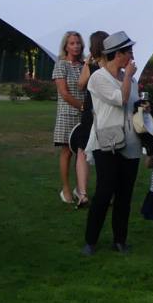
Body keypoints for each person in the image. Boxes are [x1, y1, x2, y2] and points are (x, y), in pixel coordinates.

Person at [82, 32, 145, 255]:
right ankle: (90, 241)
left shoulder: (131, 79)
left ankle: (120, 240)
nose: (132, 56)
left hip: (131, 141)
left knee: (125, 194)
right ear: (118, 54)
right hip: (106, 142)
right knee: (104, 191)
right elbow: (121, 99)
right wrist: (127, 78)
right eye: (129, 52)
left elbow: (133, 104)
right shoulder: (98, 78)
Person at [52, 30, 87, 206]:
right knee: (66, 152)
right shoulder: (61, 65)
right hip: (67, 114)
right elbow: (64, 93)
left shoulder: (84, 65)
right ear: (66, 46)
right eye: (72, 43)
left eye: (78, 43)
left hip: (84, 116)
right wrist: (82, 107)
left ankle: (80, 188)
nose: (76, 46)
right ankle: (65, 188)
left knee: (82, 152)